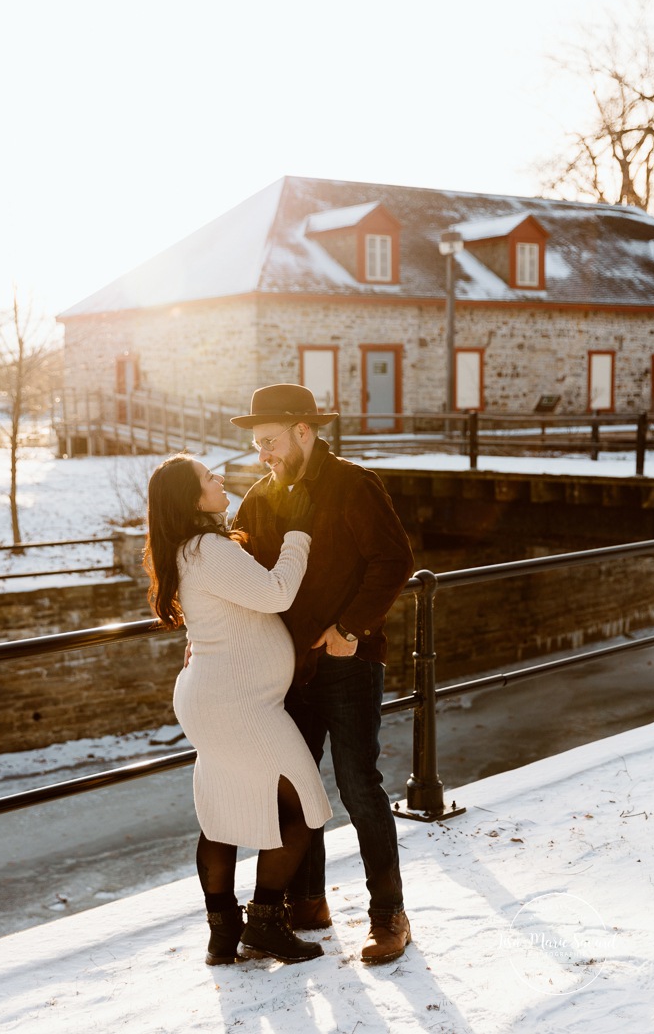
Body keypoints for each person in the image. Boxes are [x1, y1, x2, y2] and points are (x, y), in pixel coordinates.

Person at [230, 384, 415, 965]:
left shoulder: (354, 484)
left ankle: (389, 916)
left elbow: (394, 561)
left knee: (360, 787)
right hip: (288, 669)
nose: (263, 454)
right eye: (258, 444)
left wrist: (351, 630)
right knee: (294, 789)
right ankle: (307, 903)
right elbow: (244, 573)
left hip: (348, 662)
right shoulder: (260, 498)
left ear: (303, 431)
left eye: (270, 441)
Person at [143, 452, 332, 966]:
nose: (219, 478)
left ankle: (223, 933)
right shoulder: (206, 548)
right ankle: (266, 922)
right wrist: (298, 536)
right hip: (237, 704)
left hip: (219, 697)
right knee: (303, 806)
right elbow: (275, 593)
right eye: (208, 477)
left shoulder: (190, 548)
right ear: (191, 497)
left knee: (223, 814)